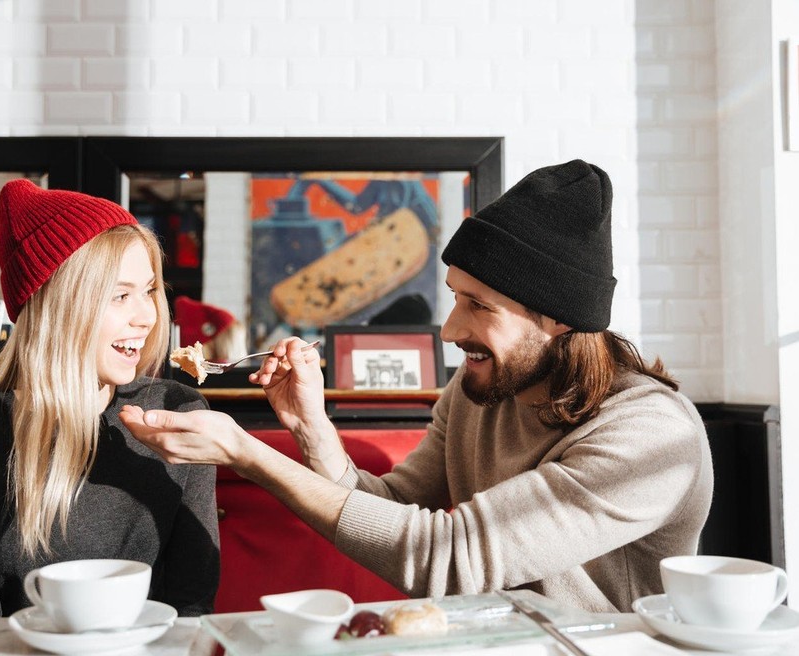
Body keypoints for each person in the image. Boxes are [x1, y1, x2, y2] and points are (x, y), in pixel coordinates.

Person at [120, 160, 714, 614]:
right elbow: (394, 509)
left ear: (558, 319)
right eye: (455, 297)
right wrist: (311, 427)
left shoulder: (650, 436)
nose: (450, 330)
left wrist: (247, 454)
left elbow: (445, 557)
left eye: (479, 305)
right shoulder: (480, 392)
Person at [0, 180, 219, 617]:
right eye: (121, 295)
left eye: (150, 291)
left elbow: (192, 605)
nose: (147, 316)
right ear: (59, 308)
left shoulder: (178, 414)